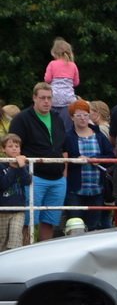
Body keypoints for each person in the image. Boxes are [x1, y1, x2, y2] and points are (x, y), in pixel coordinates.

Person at [10, 83, 67, 241]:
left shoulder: (57, 118)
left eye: (49, 98)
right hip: (33, 176)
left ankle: (44, 255)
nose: (46, 101)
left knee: (50, 221)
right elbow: (13, 146)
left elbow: (64, 147)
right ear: (34, 98)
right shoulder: (21, 119)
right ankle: (25, 254)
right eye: (42, 98)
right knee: (27, 221)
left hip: (58, 178)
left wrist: (64, 175)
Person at [64, 100, 114, 231]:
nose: (83, 118)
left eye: (86, 115)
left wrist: (97, 159)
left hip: (97, 188)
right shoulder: (67, 136)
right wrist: (76, 160)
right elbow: (63, 159)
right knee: (75, 226)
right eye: (78, 115)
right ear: (71, 117)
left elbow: (111, 156)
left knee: (93, 227)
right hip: (75, 189)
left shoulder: (99, 135)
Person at [0, 133, 30, 250]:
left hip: (18, 209)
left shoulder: (24, 163)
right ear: (3, 149)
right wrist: (13, 167)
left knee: (15, 240)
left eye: (17, 146)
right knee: (2, 242)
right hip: (2, 209)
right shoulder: (1, 165)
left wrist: (22, 167)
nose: (14, 148)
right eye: (10, 146)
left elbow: (27, 181)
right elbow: (3, 184)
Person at [43, 37, 79, 128]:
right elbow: (76, 82)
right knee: (67, 126)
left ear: (54, 52)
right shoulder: (73, 65)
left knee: (53, 124)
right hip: (69, 100)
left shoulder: (52, 64)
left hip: (54, 97)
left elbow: (47, 79)